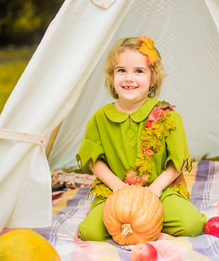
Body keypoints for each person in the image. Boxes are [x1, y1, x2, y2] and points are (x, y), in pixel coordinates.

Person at [76, 36, 206, 242]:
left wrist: (156, 189)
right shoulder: (99, 118)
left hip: (159, 190)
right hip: (115, 191)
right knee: (89, 233)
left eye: (139, 71)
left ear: (153, 78)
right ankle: (140, 223)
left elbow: (177, 162)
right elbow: (93, 160)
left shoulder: (168, 116)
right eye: (121, 70)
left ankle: (150, 221)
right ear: (111, 76)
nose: (129, 78)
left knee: (192, 225)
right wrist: (117, 186)